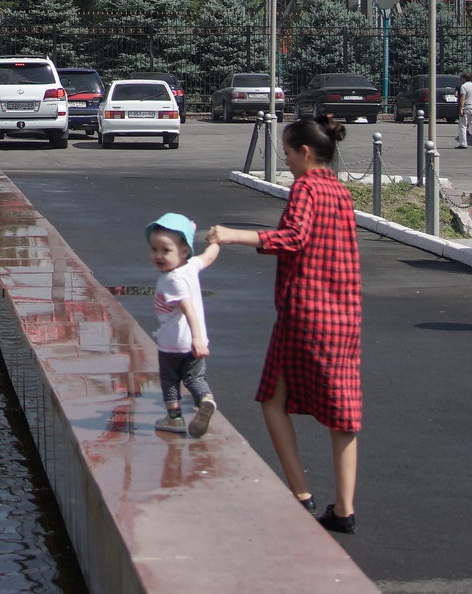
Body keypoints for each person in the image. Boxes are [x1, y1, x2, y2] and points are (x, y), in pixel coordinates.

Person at [208, 116, 363, 534]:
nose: (288, 160)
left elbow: (294, 237)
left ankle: (300, 494)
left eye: (288, 152)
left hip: (305, 314)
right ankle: (344, 510)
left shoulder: (307, 187)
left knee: (271, 399)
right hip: (345, 316)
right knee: (342, 413)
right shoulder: (341, 192)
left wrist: (230, 235)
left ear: (305, 153)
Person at [145, 213, 221, 437]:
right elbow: (208, 257)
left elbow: (188, 309)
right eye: (154, 249)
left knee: (170, 380)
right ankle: (206, 400)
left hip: (173, 343)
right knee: (195, 378)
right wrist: (216, 242)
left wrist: (196, 338)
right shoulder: (191, 267)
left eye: (165, 250)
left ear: (184, 251)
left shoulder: (171, 280)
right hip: (195, 343)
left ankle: (174, 418)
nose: (158, 255)